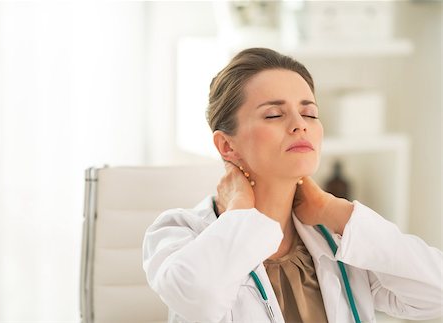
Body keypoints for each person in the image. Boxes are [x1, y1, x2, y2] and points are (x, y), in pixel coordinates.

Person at [142, 48, 442, 323]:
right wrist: (240, 212)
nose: (301, 124)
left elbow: (436, 295)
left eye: (309, 113)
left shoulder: (336, 239)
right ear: (227, 146)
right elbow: (198, 299)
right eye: (274, 114)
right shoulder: (178, 233)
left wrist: (336, 211)